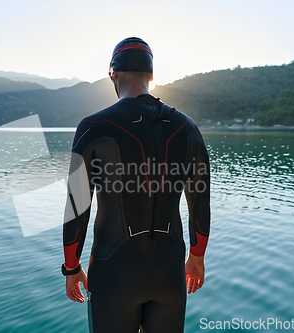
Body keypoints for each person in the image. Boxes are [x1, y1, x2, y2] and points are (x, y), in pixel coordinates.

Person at [61, 37, 210, 333]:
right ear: (152, 76)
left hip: (114, 274)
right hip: (169, 273)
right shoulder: (188, 128)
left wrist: (71, 266)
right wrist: (197, 256)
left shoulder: (93, 127)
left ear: (112, 74)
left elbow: (77, 207)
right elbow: (200, 204)